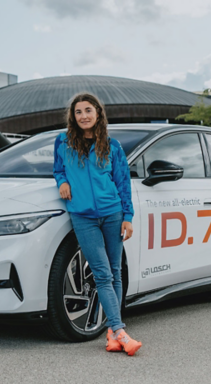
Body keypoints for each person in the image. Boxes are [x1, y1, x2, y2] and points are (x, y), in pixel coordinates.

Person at [53, 92, 142, 356]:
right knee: (103, 273)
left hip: (112, 213)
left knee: (114, 271)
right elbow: (59, 169)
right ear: (73, 116)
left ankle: (112, 335)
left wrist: (128, 216)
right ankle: (120, 331)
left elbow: (123, 183)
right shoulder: (63, 141)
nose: (83, 116)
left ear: (98, 113)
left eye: (88, 111)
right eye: (78, 112)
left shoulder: (112, 146)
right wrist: (63, 183)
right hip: (83, 216)